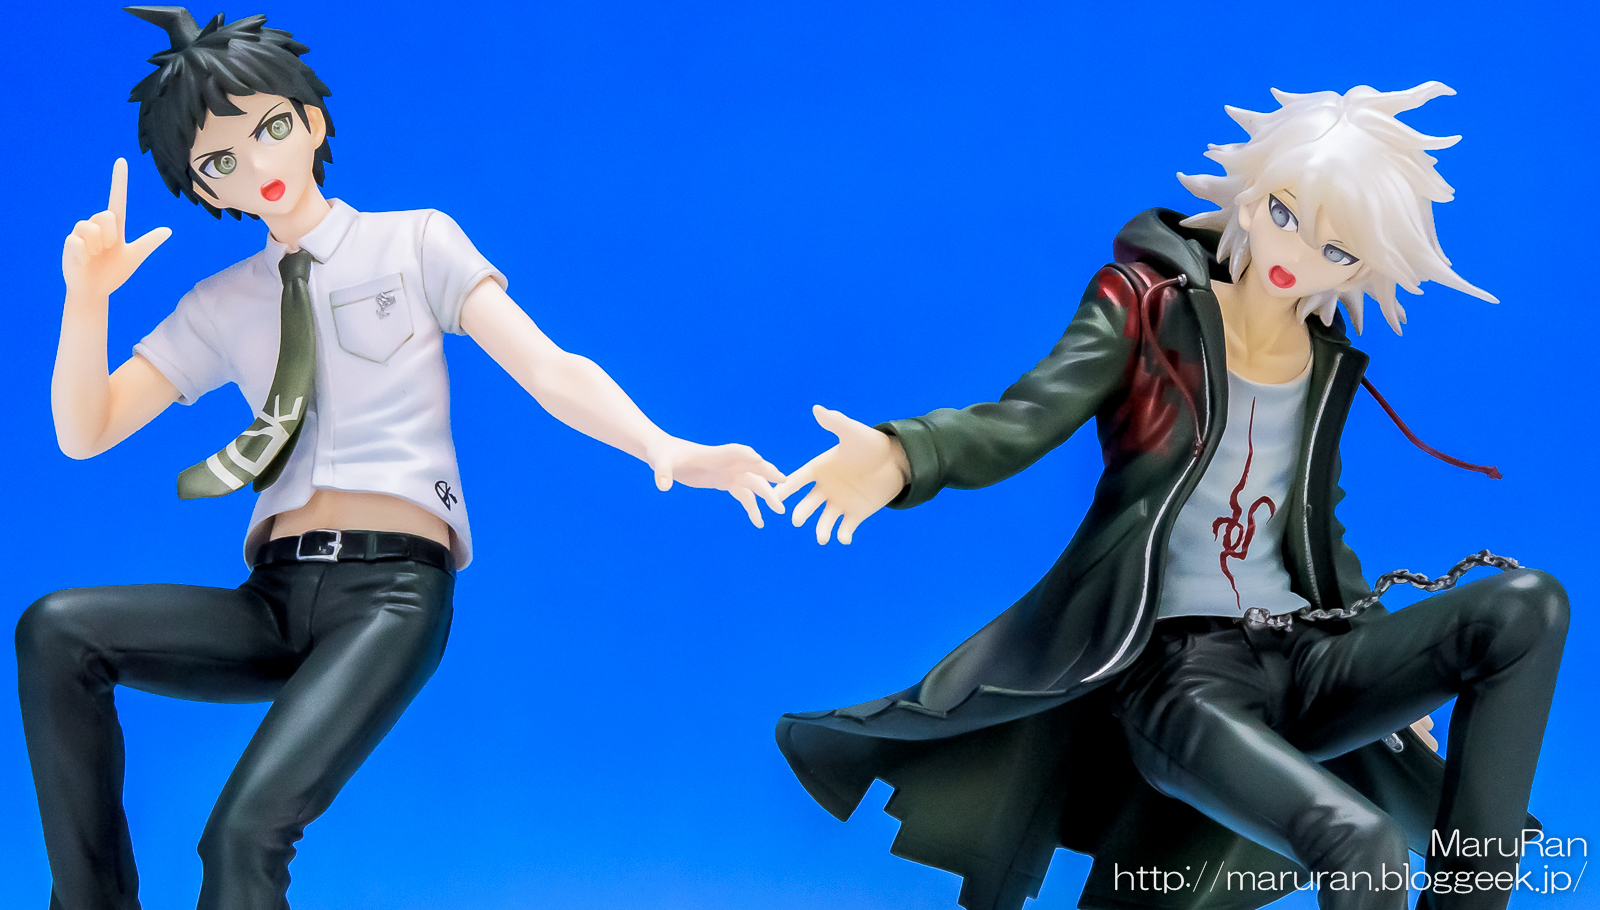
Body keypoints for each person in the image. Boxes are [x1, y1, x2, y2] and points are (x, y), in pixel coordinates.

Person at [15, 8, 786, 910]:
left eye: (269, 128)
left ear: (312, 122)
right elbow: (86, 430)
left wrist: (665, 446)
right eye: (219, 162)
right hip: (271, 596)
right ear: (202, 188)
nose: (257, 166)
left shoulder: (415, 242)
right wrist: (86, 300)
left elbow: (548, 368)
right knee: (56, 630)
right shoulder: (219, 303)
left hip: (388, 595)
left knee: (241, 835)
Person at [773, 83, 1568, 910]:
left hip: (1304, 654)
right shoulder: (1148, 307)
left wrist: (1387, 662)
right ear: (1251, 198)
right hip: (1180, 677)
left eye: (1337, 249)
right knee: (1361, 846)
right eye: (1286, 213)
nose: (1297, 252)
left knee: (1527, 606)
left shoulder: (1321, 356)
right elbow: (1027, 416)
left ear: (1362, 268)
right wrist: (905, 455)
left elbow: (1314, 527)